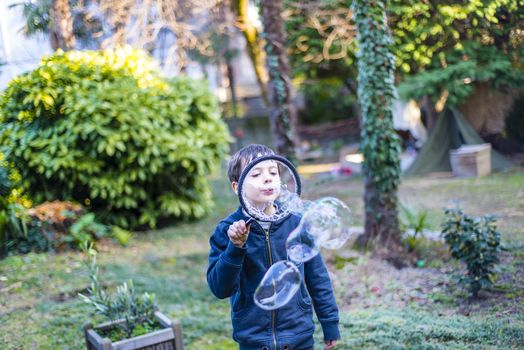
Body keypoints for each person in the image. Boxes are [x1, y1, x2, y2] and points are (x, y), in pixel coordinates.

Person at [207, 144, 340, 350]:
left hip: (299, 338)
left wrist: (329, 324)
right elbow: (220, 288)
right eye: (256, 173)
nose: (267, 178)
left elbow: (318, 278)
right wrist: (235, 247)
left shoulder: (296, 223)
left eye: (273, 172)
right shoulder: (227, 231)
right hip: (254, 341)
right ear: (236, 187)